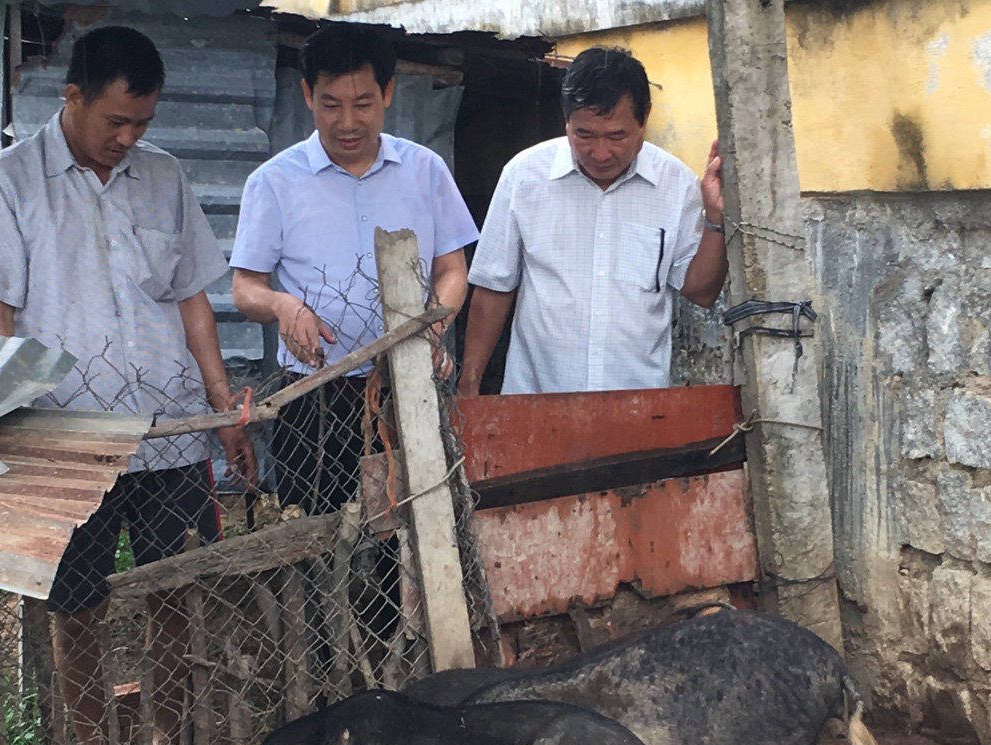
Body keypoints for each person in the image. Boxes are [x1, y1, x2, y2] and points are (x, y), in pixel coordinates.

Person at [0, 25, 256, 745]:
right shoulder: (5, 184)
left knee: (174, 588)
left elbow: (193, 305)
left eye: (142, 124)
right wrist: (12, 432)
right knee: (76, 604)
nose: (128, 138)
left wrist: (222, 408)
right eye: (114, 121)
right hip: (68, 436)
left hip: (168, 429)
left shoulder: (165, 179)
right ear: (73, 97)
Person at [231, 22, 478, 516]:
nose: (347, 121)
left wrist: (432, 324)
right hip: (313, 395)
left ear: (387, 92)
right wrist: (282, 304)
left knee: (411, 532)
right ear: (306, 94)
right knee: (318, 534)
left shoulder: (425, 170)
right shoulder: (273, 183)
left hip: (407, 383)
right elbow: (244, 287)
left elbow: (453, 269)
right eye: (330, 104)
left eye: (363, 103)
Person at [458, 46, 729, 396]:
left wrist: (716, 217)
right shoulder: (524, 176)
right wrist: (469, 383)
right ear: (566, 121)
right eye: (584, 134)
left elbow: (701, 292)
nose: (600, 153)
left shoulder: (675, 183)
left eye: (617, 136)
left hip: (638, 408)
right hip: (536, 403)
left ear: (643, 121)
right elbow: (494, 286)